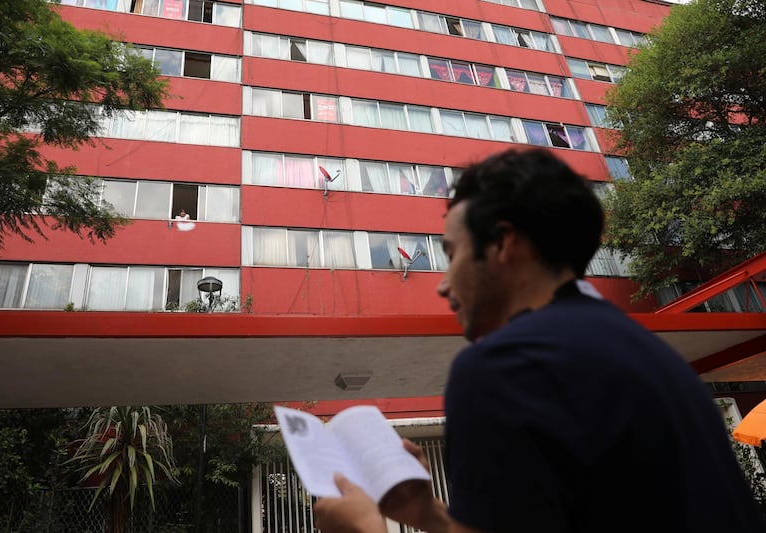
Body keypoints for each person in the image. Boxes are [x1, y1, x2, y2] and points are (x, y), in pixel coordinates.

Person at [313, 148, 766, 533]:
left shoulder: (503, 367)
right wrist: (428, 514)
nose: (443, 285)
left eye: (452, 255)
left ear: (503, 244)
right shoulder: (653, 357)